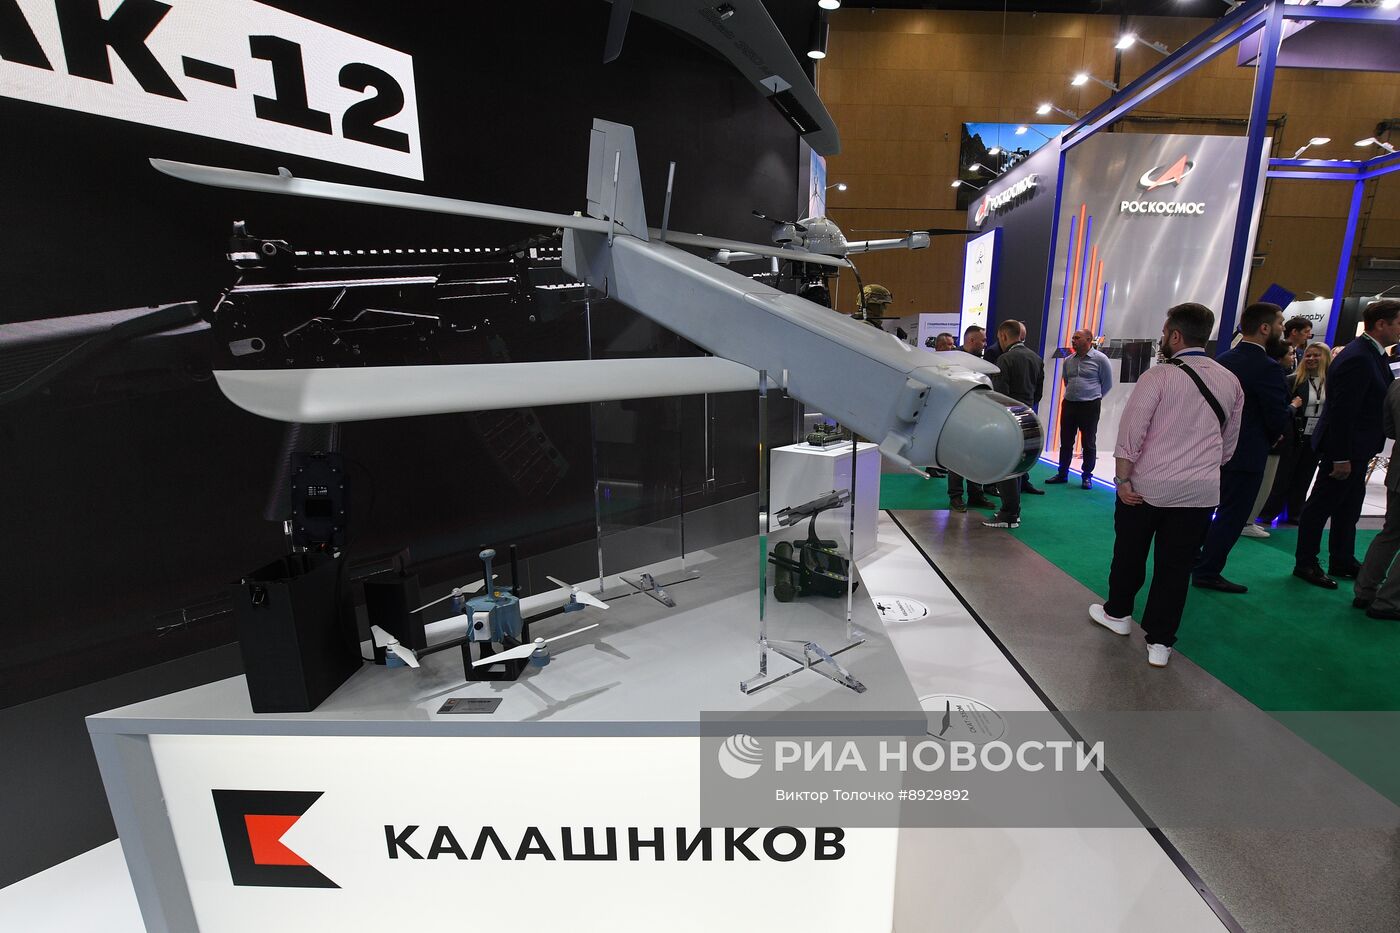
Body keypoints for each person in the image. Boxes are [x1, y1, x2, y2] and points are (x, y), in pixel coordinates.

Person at [1089, 303, 1243, 667]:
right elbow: (1229, 443)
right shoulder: (1230, 380)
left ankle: (1118, 614)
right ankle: (1160, 643)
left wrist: (1122, 479)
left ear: (1175, 335)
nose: (1162, 338)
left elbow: (1131, 433)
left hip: (1147, 488)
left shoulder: (1158, 376)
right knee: (1176, 567)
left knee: (1130, 554)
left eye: (1164, 333)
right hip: (1200, 492)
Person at [1294, 298, 1400, 589]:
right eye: (1398, 323)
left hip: (1358, 449)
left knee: (1349, 508)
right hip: (1345, 450)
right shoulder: (1359, 357)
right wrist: (1340, 456)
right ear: (1381, 324)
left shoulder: (1372, 354)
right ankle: (1306, 562)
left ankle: (1342, 559)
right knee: (1320, 507)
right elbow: (1342, 412)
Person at [1191, 302, 1290, 591]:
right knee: (1232, 515)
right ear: (1265, 328)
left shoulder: (1223, 360)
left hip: (1213, 449)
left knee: (1206, 510)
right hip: (1247, 453)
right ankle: (1208, 571)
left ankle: (1194, 560)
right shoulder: (1268, 368)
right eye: (1280, 324)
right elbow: (1276, 414)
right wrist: (1279, 429)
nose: (1282, 329)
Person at [1256, 341, 1329, 526]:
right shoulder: (1293, 380)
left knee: (1305, 476)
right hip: (1294, 433)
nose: (1311, 359)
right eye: (1308, 355)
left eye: (1316, 355)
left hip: (1315, 436)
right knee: (1283, 476)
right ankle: (1268, 512)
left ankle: (1295, 513)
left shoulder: (1331, 383)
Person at [983, 319, 1044, 529]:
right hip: (1028, 416)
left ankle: (1009, 514)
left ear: (1003, 336)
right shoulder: (1036, 358)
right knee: (1018, 465)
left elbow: (1000, 395)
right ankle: (1013, 511)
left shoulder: (1005, 359)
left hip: (1008, 419)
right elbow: (1039, 393)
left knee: (1006, 465)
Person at [1240, 338, 1298, 539]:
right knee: (1261, 482)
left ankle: (1247, 520)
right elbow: (1275, 410)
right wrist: (1293, 407)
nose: (1293, 357)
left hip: (1260, 439)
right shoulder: (1273, 373)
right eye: (1290, 354)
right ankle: (1247, 521)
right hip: (1265, 440)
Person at [1353, 377, 1400, 619]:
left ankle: (1365, 591)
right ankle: (1389, 601)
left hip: (1397, 474)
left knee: (1390, 533)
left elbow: (1389, 429)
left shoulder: (1397, 385)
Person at [1046, 328, 1113, 489]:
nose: (1073, 341)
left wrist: (1094, 397)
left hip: (1090, 406)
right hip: (1070, 404)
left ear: (1088, 340)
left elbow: (1107, 383)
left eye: (1077, 338)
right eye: (1073, 338)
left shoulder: (1100, 359)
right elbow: (1067, 381)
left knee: (1088, 442)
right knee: (1066, 442)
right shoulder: (1069, 360)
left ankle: (1087, 476)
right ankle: (1062, 473)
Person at [945, 324, 995, 511]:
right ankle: (956, 496)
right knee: (956, 456)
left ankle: (976, 495)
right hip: (956, 415)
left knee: (976, 455)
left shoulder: (981, 362)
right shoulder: (953, 361)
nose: (985, 344)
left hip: (977, 415)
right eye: (983, 340)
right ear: (972, 340)